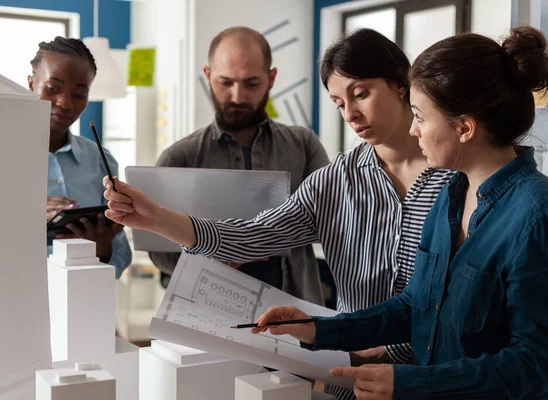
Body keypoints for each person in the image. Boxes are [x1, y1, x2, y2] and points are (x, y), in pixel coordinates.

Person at [102, 29, 453, 398]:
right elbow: (250, 235)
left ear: (401, 84)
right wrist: (154, 217)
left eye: (361, 94)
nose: (350, 114)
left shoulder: (455, 176)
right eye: (338, 103)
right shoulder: (335, 180)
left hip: (441, 375)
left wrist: (391, 350)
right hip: (350, 374)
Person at [251, 27, 548, 400]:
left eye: (420, 117)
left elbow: (535, 366)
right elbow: (417, 306)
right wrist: (315, 329)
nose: (413, 130)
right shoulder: (449, 197)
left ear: (463, 127)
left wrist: (409, 383)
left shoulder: (541, 216)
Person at [148, 26, 330, 304]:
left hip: (297, 313)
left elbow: (329, 221)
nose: (237, 96)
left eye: (251, 83)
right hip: (210, 316)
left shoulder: (304, 145)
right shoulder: (179, 157)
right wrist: (207, 257)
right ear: (208, 76)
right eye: (225, 82)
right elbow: (159, 252)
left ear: (271, 78)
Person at [29, 36, 131, 278]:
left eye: (79, 93)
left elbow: (121, 255)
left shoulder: (100, 160)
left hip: (85, 303)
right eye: (52, 89)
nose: (65, 103)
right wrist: (21, 217)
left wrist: (102, 252)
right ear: (31, 84)